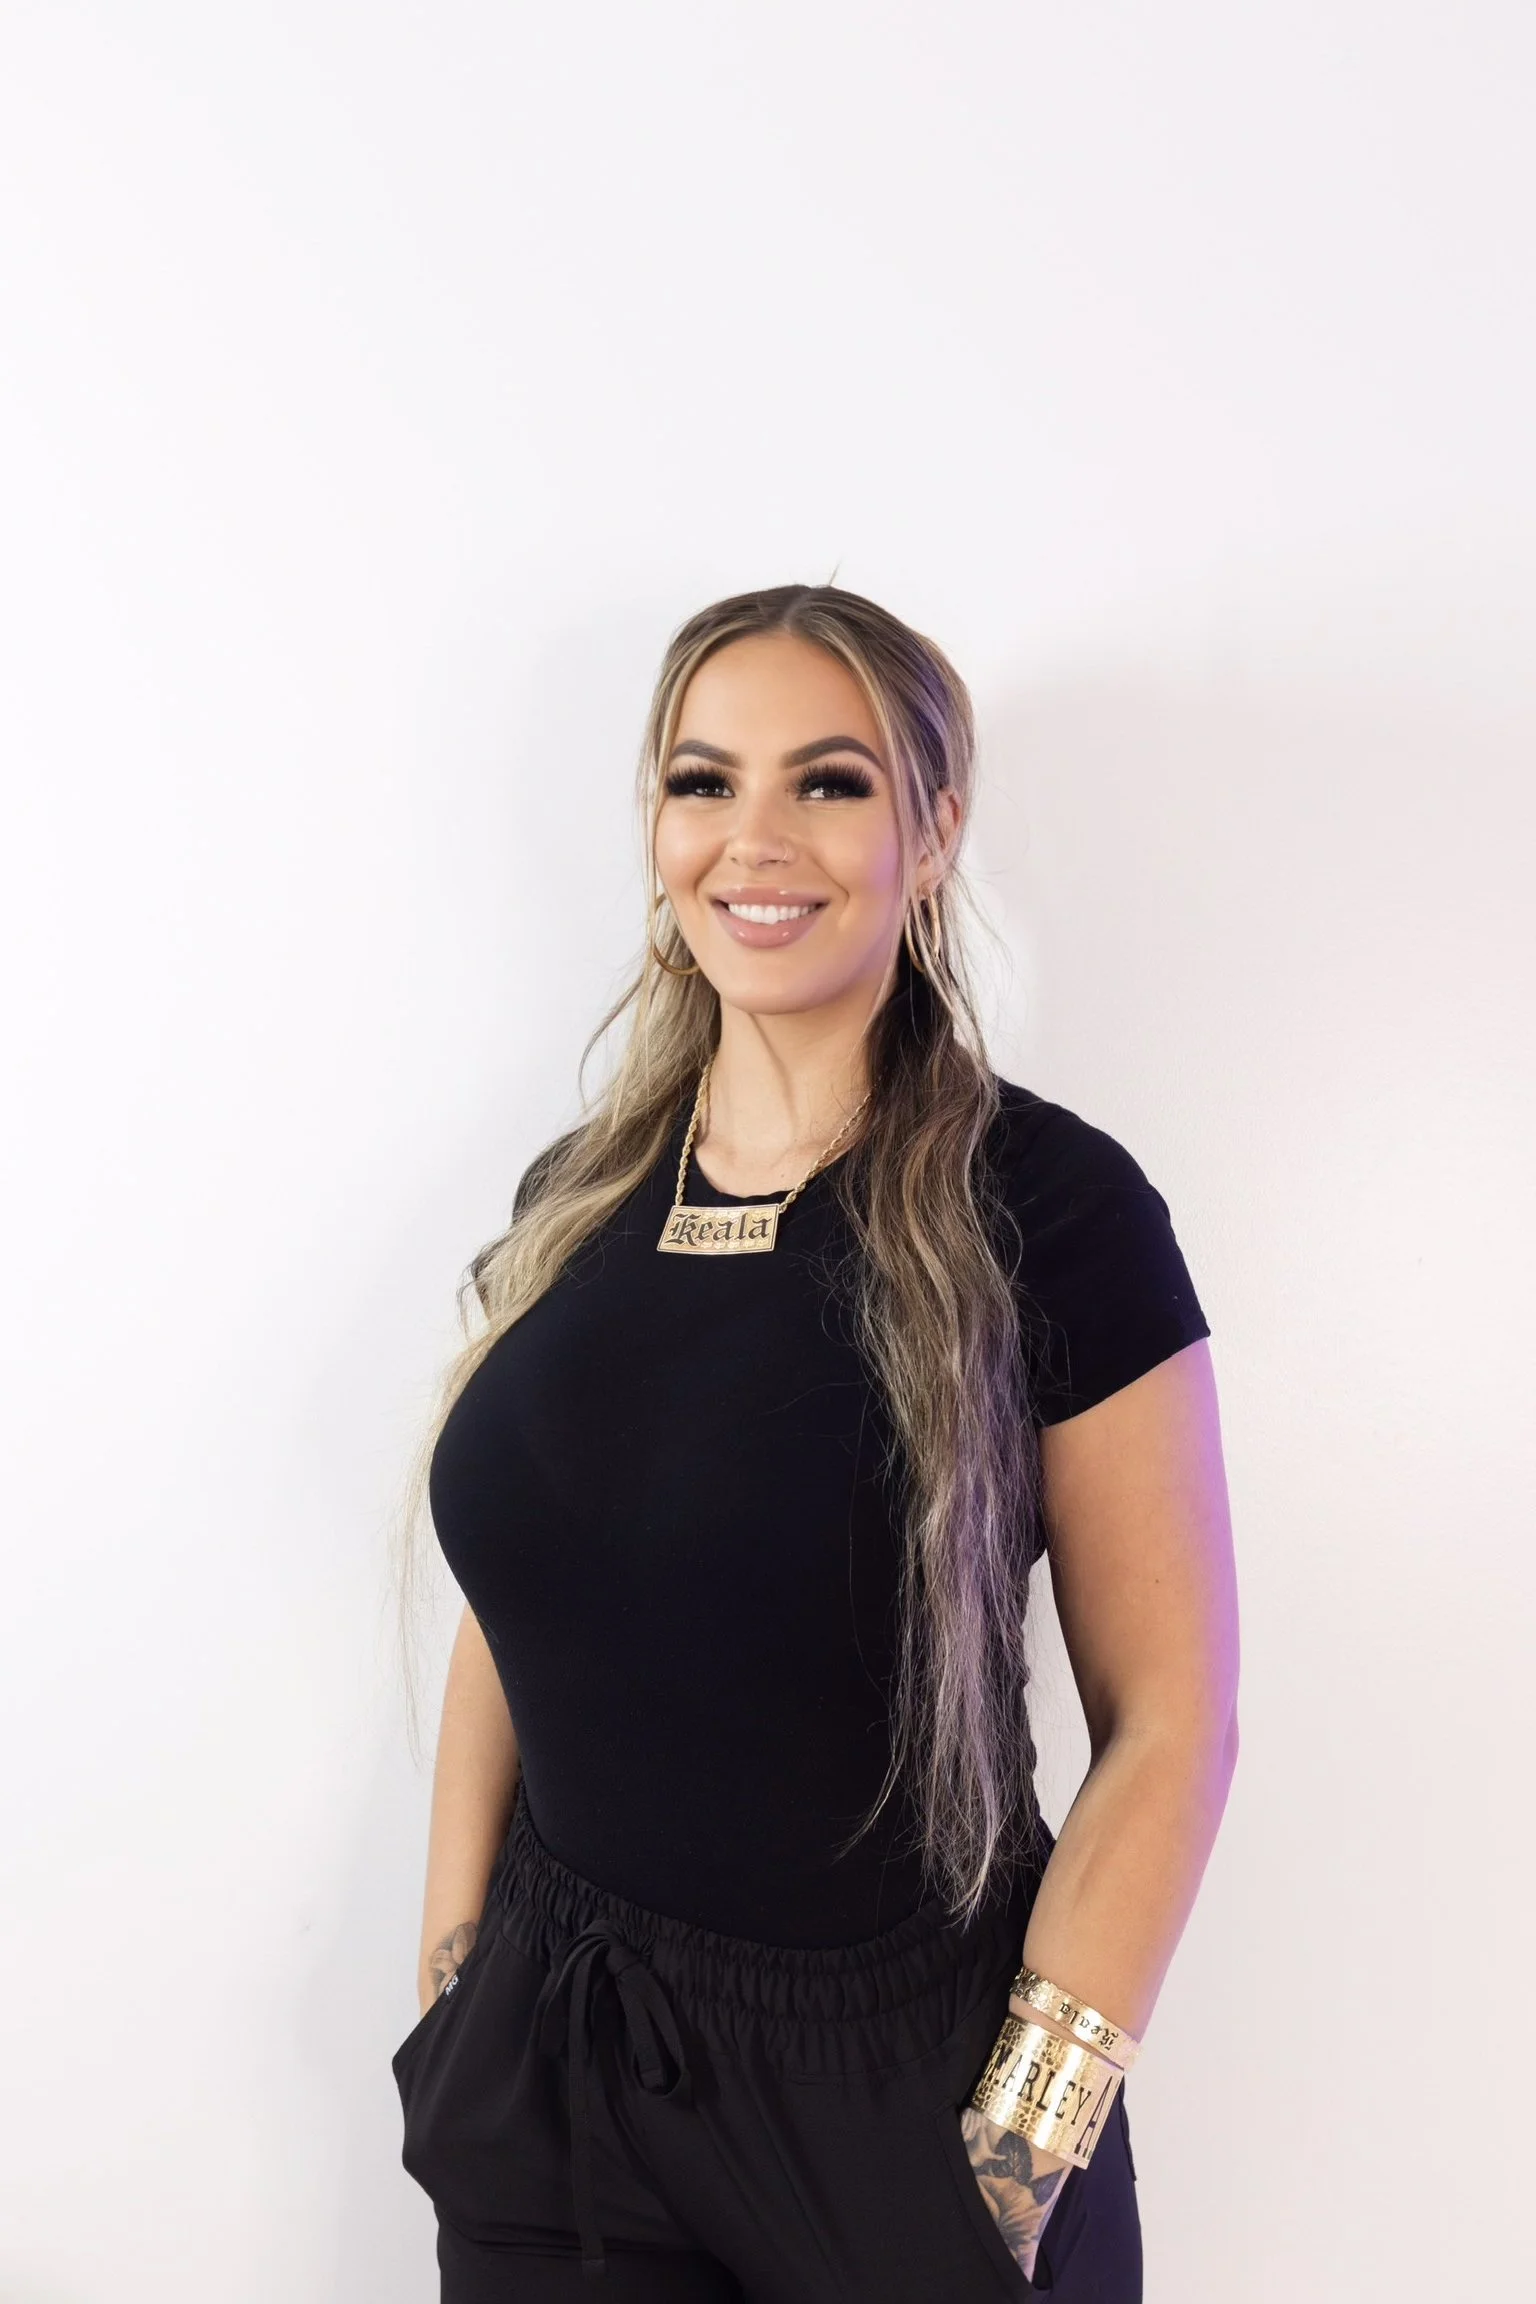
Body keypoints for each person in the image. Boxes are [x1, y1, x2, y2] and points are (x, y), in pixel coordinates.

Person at [388, 583, 1239, 2302]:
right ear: (657, 830)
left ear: (935, 828)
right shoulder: (577, 1203)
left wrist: (1015, 2158)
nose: (755, 838)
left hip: (907, 2095)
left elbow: (1172, 1721)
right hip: (564, 2073)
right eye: (704, 782)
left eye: (829, 783)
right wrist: (458, 1972)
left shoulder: (1052, 1210)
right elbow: (531, 1593)